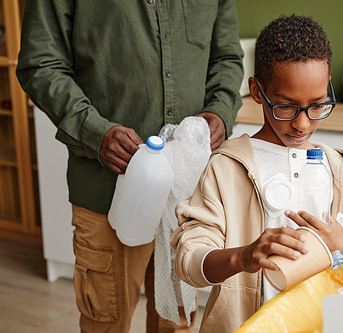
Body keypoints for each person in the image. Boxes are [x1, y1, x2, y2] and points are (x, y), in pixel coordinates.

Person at [16, 0, 243, 332]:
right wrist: (95, 132)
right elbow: (41, 63)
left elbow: (226, 58)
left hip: (186, 197)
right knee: (105, 322)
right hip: (106, 192)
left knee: (175, 322)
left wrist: (221, 110)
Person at [171, 15, 343, 333]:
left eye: (317, 105)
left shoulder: (338, 171)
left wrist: (342, 249)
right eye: (286, 106)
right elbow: (189, 262)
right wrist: (243, 257)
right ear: (257, 91)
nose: (303, 124)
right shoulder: (226, 168)